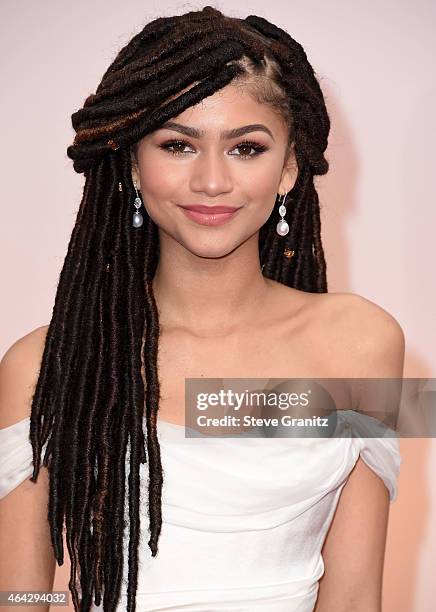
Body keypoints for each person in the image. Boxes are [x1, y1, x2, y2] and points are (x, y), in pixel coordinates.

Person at [0, 5, 405, 611]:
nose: (212, 181)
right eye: (177, 145)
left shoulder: (363, 343)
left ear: (290, 167)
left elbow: (354, 597)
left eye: (246, 148)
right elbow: (20, 597)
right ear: (133, 164)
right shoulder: (41, 364)